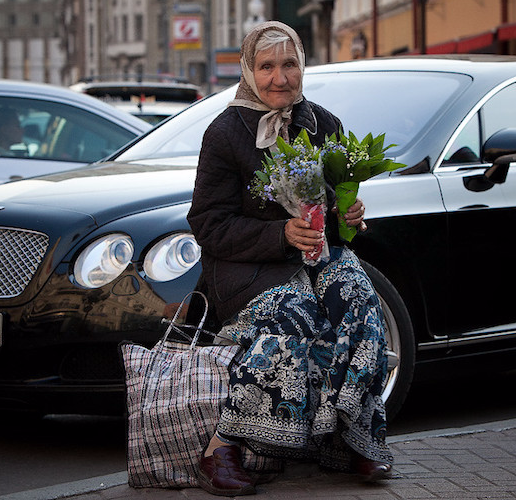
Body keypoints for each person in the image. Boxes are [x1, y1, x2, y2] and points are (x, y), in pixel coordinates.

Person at [187, 21, 393, 497]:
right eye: (267, 66)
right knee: (294, 314)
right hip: (249, 268)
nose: (279, 77)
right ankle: (222, 447)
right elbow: (208, 226)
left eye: (289, 64)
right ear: (248, 70)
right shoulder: (225, 132)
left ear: (302, 66)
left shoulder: (323, 124)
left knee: (361, 301)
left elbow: (336, 217)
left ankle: (353, 438)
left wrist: (351, 216)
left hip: (317, 257)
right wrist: (280, 234)